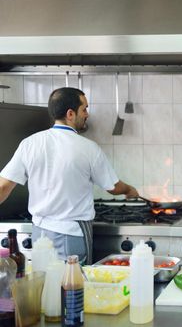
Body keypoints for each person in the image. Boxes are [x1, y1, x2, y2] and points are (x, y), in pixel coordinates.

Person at [0, 87, 138, 264]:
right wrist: (129, 190)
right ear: (70, 114)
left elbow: (3, 186)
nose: (87, 114)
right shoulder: (88, 148)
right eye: (84, 109)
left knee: (47, 288)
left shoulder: (30, 144)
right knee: (74, 288)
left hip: (40, 234)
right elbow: (113, 187)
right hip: (72, 234)